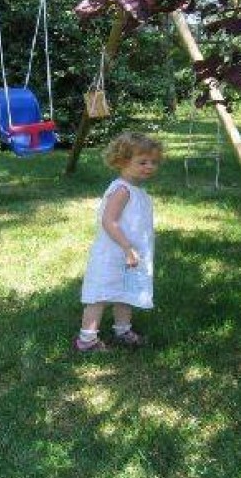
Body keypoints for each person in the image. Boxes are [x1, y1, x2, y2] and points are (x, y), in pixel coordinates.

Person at [75, 131, 163, 352]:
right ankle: (86, 341)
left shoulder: (137, 190)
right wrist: (127, 248)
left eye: (153, 162)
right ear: (123, 161)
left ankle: (123, 330)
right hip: (115, 253)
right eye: (142, 162)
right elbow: (109, 221)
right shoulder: (122, 190)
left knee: (125, 292)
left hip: (129, 255)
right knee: (101, 294)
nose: (149, 166)